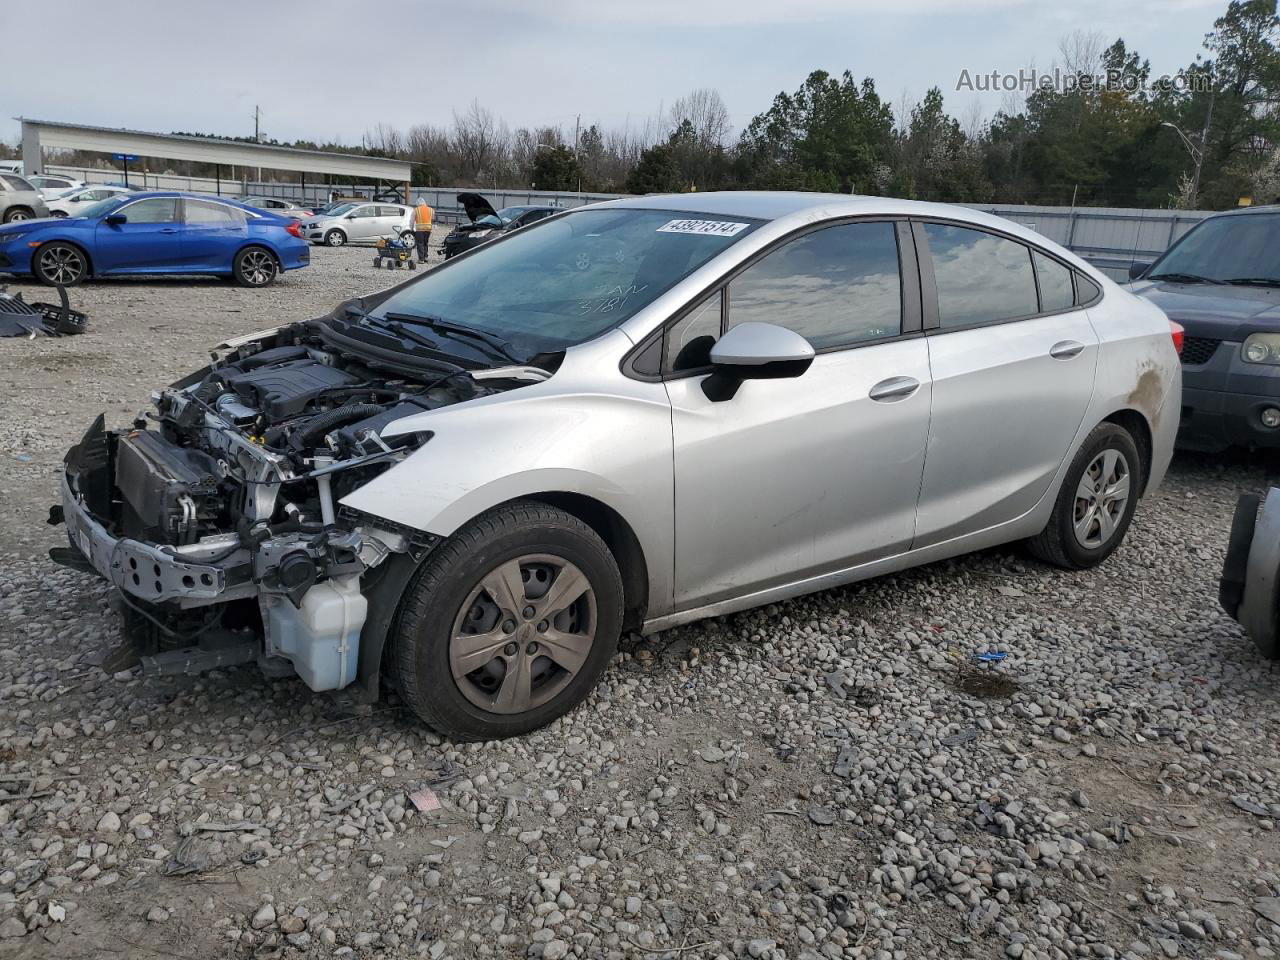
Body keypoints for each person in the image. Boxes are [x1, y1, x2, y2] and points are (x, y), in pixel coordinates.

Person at [412, 197, 434, 263]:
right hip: (428, 229)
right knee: (425, 243)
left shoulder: (416, 210)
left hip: (420, 229)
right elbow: (432, 219)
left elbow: (412, 220)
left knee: (420, 243)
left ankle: (421, 259)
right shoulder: (431, 209)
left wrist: (411, 228)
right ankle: (426, 257)